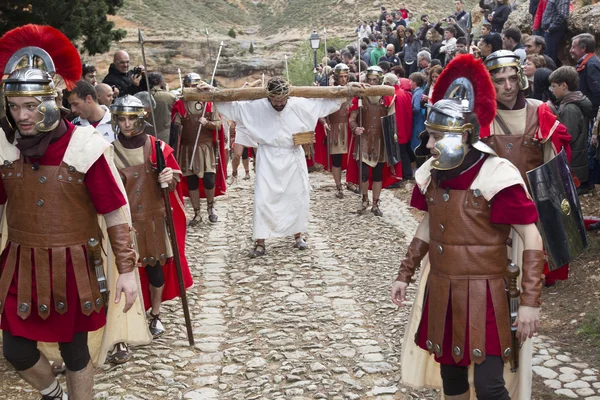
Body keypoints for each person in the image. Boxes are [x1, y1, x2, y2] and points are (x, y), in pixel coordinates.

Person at [0, 25, 145, 400]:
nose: (22, 115)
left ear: (52, 100)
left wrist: (127, 271)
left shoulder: (84, 146)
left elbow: (114, 210)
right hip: (19, 262)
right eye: (14, 107)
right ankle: (53, 394)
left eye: (31, 106)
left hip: (72, 264)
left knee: (76, 352)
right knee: (15, 350)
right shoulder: (6, 146)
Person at [393, 53, 544, 400]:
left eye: (436, 137)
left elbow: (531, 236)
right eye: (428, 136)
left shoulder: (497, 174)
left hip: (486, 294)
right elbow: (430, 224)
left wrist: (531, 301)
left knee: (491, 386)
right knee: (453, 378)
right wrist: (405, 273)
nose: (428, 145)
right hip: (444, 288)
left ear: (462, 135)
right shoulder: (433, 173)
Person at [205, 76, 349, 257]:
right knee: (263, 198)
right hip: (267, 157)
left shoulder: (299, 104)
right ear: (269, 97)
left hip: (293, 155)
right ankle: (260, 241)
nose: (280, 103)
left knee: (297, 196)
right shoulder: (256, 107)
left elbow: (325, 104)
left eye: (283, 99)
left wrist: (348, 90)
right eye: (275, 99)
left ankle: (298, 235)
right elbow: (232, 108)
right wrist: (213, 94)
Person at [481, 50, 572, 288]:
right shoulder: (481, 116)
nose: (508, 86)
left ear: (520, 76)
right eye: (500, 81)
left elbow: (554, 169)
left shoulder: (539, 111)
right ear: (489, 82)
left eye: (512, 78)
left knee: (526, 282)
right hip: (491, 209)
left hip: (530, 207)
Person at [109, 95, 193, 342]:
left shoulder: (158, 146)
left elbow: (175, 178)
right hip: (125, 223)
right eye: (121, 119)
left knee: (156, 272)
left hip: (155, 218)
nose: (126, 124)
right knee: (124, 274)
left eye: (131, 119)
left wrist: (168, 177)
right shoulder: (110, 152)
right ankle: (125, 324)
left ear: (141, 118)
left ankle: (155, 314)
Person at [171, 72, 226, 226]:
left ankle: (211, 208)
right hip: (187, 148)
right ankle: (197, 213)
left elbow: (218, 125)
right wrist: (179, 122)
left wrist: (207, 123)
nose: (191, 88)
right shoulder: (180, 104)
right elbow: (175, 129)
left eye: (194, 86)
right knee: (192, 181)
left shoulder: (208, 103)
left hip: (206, 147)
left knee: (209, 179)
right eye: (188, 86)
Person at [348, 66, 400, 216]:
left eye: (374, 79)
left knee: (377, 174)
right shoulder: (360, 96)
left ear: (379, 80)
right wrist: (355, 128)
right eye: (369, 79)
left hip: (380, 140)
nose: (371, 82)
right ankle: (365, 200)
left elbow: (391, 122)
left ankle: (376, 203)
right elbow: (352, 118)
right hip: (364, 139)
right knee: (363, 173)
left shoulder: (387, 97)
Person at [549, 67, 594, 193]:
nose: (552, 90)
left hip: (574, 165)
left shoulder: (570, 109)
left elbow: (568, 137)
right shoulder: (569, 103)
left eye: (554, 86)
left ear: (563, 85)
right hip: (576, 162)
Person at [318, 64, 352, 198]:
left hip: (350, 127)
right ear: (336, 77)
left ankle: (351, 182)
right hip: (336, 128)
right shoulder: (330, 91)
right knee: (336, 160)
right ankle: (339, 187)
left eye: (345, 76)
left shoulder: (352, 89)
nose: (343, 79)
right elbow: (321, 111)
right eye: (341, 76)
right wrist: (324, 122)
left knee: (352, 159)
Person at [384, 73, 414, 180]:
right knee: (403, 152)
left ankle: (398, 177)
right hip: (405, 127)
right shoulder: (404, 93)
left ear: (387, 83)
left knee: (397, 154)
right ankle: (407, 174)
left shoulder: (391, 95)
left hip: (397, 128)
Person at [570, 33, 600, 115]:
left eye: (573, 47)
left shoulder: (591, 65)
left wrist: (591, 113)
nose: (570, 50)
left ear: (583, 48)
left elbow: (597, 92)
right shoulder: (585, 63)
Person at [148, 72, 177, 144]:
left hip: (147, 131)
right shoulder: (170, 96)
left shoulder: (143, 96)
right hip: (164, 132)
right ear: (161, 82)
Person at [541, 0, 570, 67]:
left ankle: (550, 75)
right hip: (549, 31)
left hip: (554, 32)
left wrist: (551, 28)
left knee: (550, 56)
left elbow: (563, 15)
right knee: (548, 55)